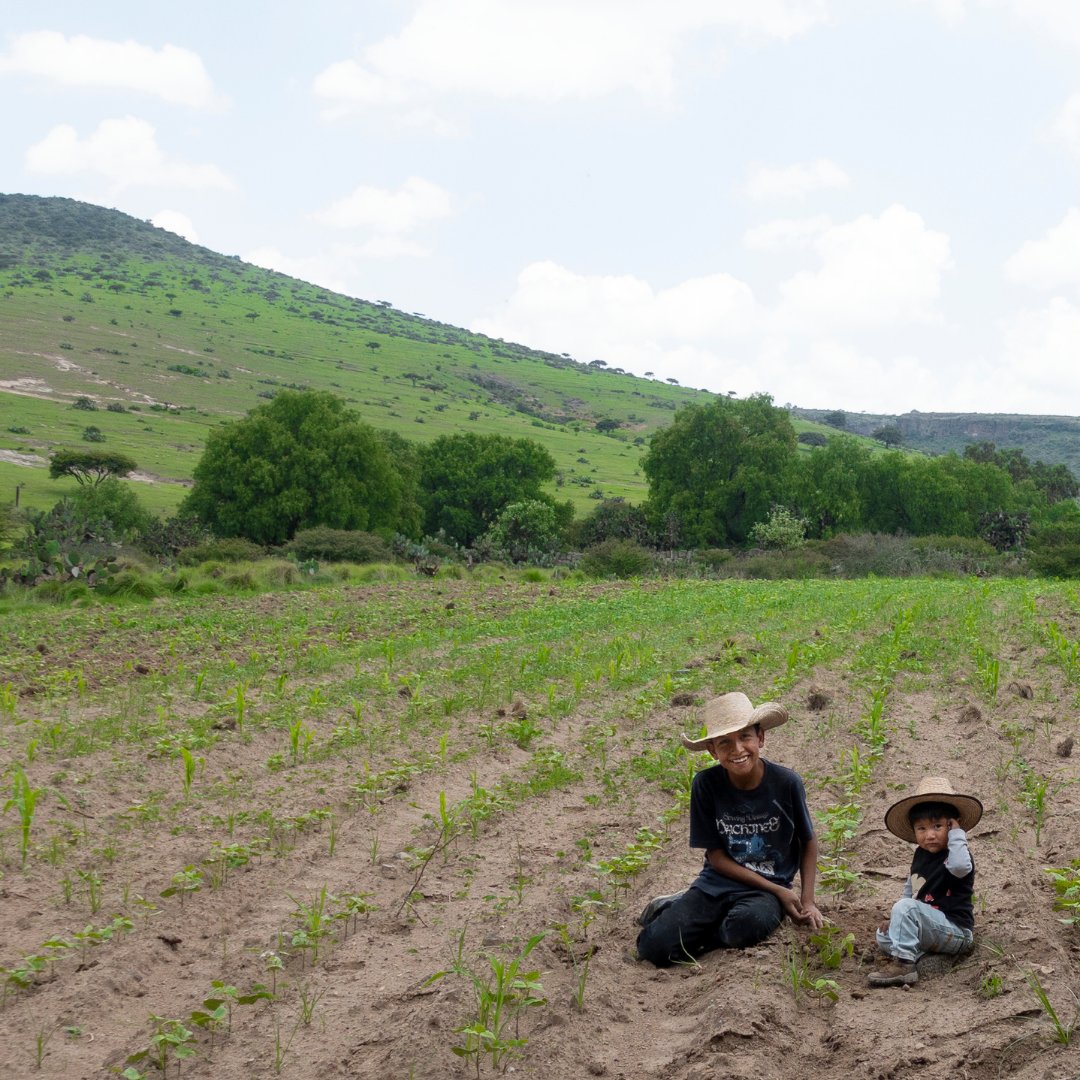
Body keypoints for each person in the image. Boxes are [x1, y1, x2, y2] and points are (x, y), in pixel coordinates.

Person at [636, 692, 824, 967]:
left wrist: (806, 900)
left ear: (760, 738)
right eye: (725, 743)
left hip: (767, 891)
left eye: (745, 737)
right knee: (652, 947)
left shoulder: (786, 783)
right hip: (717, 883)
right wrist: (783, 893)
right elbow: (716, 857)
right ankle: (677, 909)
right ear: (713, 750)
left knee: (747, 925)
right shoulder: (706, 785)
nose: (737, 750)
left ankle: (694, 926)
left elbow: (807, 842)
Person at [869, 776, 981, 988]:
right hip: (930, 927)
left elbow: (959, 868)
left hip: (955, 930)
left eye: (937, 826)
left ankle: (905, 966)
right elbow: (911, 888)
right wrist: (896, 919)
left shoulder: (957, 854)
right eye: (921, 829)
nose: (930, 835)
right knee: (883, 935)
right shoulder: (920, 854)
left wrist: (957, 834)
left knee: (906, 910)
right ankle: (926, 959)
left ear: (951, 826)